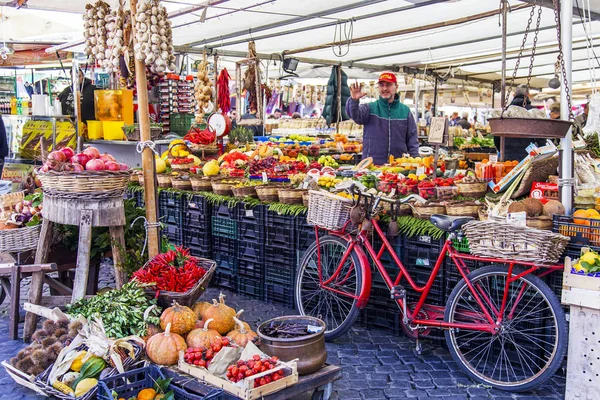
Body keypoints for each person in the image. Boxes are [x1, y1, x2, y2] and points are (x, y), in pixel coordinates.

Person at [346, 72, 419, 165]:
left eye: (388, 85)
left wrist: (416, 160)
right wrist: (354, 100)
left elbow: (412, 139)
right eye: (381, 85)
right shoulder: (370, 108)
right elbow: (355, 116)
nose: (385, 88)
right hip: (372, 165)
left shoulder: (405, 111)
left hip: (397, 165)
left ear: (396, 87)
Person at [495, 84, 542, 160]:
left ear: (514, 95)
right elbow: (541, 137)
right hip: (528, 156)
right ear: (528, 94)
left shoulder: (506, 112)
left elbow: (497, 135)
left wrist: (503, 149)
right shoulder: (534, 112)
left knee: (509, 171)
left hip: (507, 154)